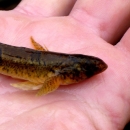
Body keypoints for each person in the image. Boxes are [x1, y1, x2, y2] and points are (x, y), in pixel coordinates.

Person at [0, 0, 130, 129]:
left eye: (87, 72)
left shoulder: (58, 72)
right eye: (87, 72)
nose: (91, 74)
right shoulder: (57, 75)